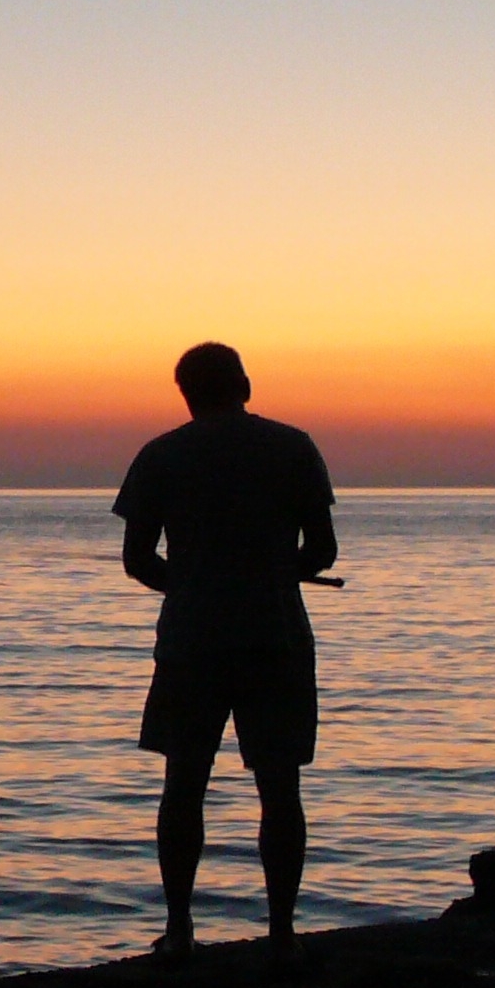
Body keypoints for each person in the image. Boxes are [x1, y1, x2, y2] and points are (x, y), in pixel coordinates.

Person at [114, 342, 335, 956]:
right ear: (246, 384)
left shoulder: (160, 455)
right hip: (276, 635)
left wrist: (189, 582)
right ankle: (282, 931)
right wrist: (270, 570)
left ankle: (180, 928)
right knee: (280, 787)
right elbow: (322, 552)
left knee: (183, 781)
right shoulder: (295, 447)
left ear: (185, 393)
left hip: (192, 638)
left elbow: (136, 560)